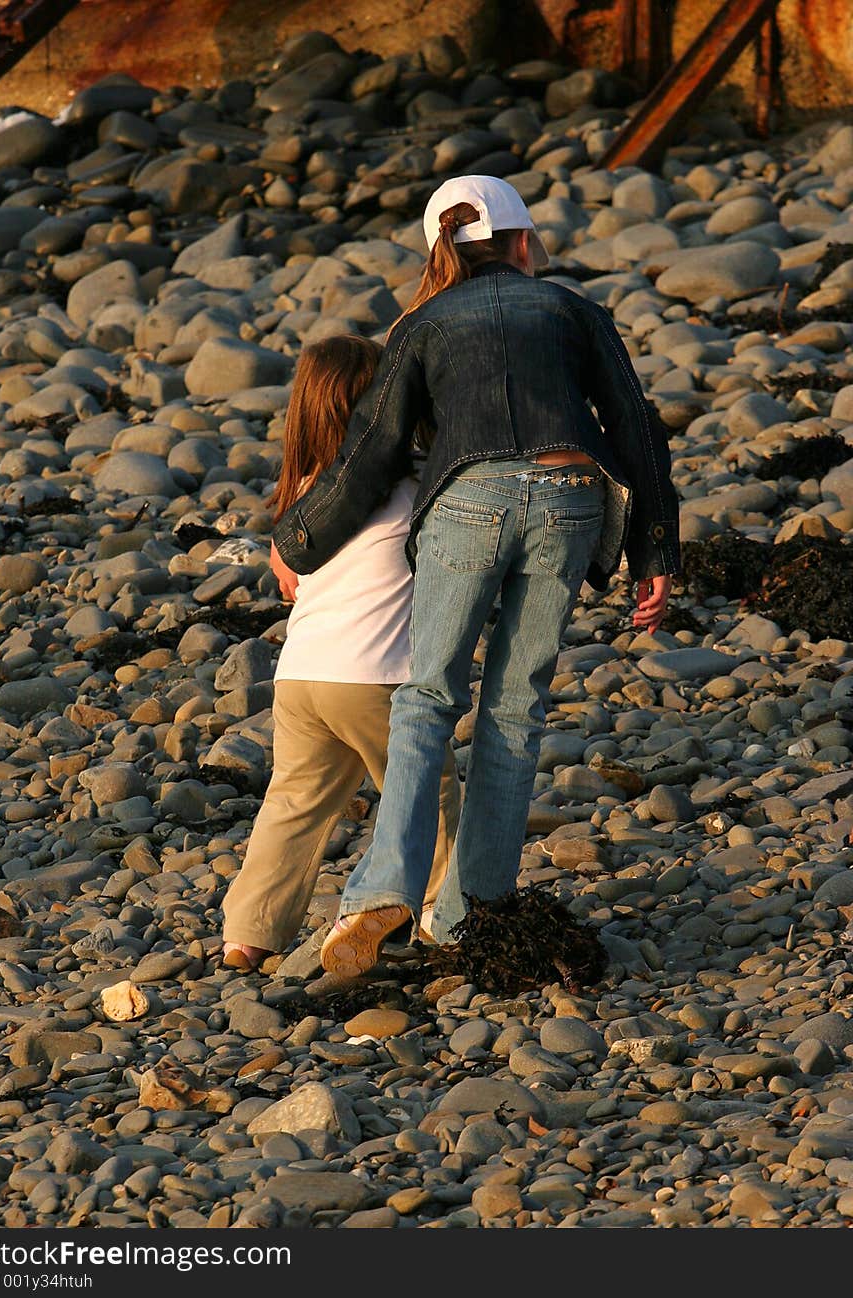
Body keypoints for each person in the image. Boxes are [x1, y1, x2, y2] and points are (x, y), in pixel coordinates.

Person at [272, 174, 680, 977]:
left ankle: (381, 892)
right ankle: (468, 912)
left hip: (472, 499)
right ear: (523, 242)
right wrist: (655, 552)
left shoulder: (422, 324)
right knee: (516, 710)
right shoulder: (574, 311)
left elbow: (372, 449)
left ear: (439, 252)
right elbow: (635, 425)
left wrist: (298, 537)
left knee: (427, 699)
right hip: (571, 496)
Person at [222, 334, 461, 972]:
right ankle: (443, 916)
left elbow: (292, 579)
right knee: (429, 795)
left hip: (301, 675)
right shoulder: (410, 491)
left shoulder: (303, 495)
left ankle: (248, 934)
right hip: (375, 678)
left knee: (293, 804)